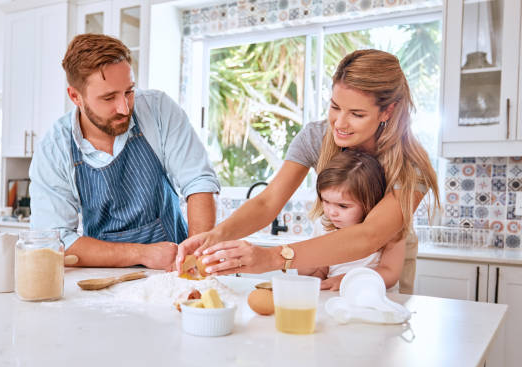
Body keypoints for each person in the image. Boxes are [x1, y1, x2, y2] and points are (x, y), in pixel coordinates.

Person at [177, 49, 439, 294]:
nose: (340, 123)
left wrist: (271, 257)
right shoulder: (316, 137)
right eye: (335, 107)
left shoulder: (410, 164)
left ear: (388, 111)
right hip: (332, 257)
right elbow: (268, 202)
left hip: (380, 269)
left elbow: (369, 236)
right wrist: (214, 237)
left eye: (357, 114)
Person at [30, 34, 220, 270]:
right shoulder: (54, 149)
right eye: (109, 97)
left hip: (173, 273)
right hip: (101, 278)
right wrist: (142, 254)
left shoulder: (158, 110)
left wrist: (197, 257)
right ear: (75, 96)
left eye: (129, 91)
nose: (124, 107)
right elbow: (54, 241)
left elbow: (199, 182)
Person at [298, 150, 404, 291]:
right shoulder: (324, 227)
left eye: (343, 206)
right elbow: (322, 272)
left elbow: (390, 272)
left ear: (368, 203)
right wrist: (308, 270)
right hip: (337, 299)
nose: (331, 212)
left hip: (375, 299)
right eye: (326, 201)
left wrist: (346, 280)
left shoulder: (391, 229)